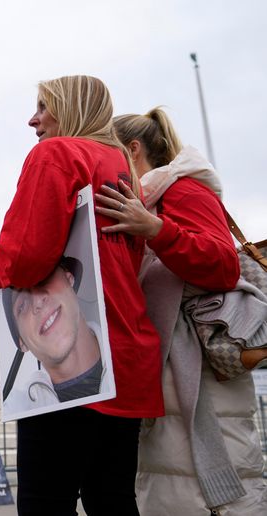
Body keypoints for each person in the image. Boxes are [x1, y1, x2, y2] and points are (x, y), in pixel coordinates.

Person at [0, 75, 163, 515]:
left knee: (45, 502)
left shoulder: (56, 154)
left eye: (44, 106)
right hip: (126, 354)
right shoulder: (119, 165)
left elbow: (26, 260)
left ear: (72, 109)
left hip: (71, 374)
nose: (32, 119)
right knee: (111, 498)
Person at [96, 107, 267, 514]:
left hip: (199, 363)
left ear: (132, 150)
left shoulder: (183, 190)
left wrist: (156, 230)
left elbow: (223, 265)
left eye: (108, 152)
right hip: (175, 365)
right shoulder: (147, 199)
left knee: (213, 492)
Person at [2, 257, 104, 412]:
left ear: (70, 279)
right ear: (22, 343)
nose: (37, 301)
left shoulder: (133, 354)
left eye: (44, 277)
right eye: (22, 305)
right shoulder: (16, 408)